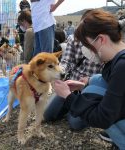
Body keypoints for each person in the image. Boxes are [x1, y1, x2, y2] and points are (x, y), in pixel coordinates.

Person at [52, 9, 125, 149]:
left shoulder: (121, 66)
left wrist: (68, 97)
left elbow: (102, 118)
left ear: (101, 39)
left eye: (87, 46)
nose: (87, 51)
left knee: (92, 91)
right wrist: (82, 86)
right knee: (95, 81)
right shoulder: (116, 61)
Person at [44, 33, 102, 131]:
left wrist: (88, 82)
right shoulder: (74, 39)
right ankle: (73, 107)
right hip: (71, 86)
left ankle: (75, 108)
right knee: (47, 115)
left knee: (75, 124)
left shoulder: (101, 44)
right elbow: (66, 61)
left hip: (90, 90)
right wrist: (59, 73)